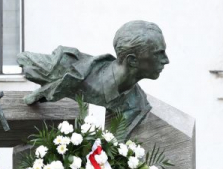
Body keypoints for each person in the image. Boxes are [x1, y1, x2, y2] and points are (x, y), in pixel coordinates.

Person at [15, 20, 170, 129]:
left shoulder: (137, 106)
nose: (166, 60)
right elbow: (25, 60)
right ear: (132, 61)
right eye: (159, 54)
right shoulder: (68, 66)